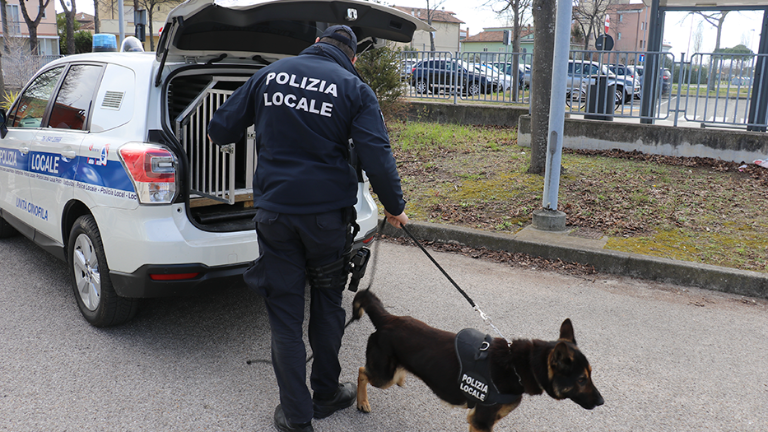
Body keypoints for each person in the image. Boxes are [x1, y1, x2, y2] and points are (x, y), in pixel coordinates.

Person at [207, 25, 408, 432]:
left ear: (316, 44)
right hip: (325, 220)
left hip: (274, 215)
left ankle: (297, 418)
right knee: (327, 303)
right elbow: (377, 155)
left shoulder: (270, 75)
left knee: (284, 315)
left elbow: (219, 129)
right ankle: (326, 393)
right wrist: (394, 207)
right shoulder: (354, 88)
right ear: (352, 57)